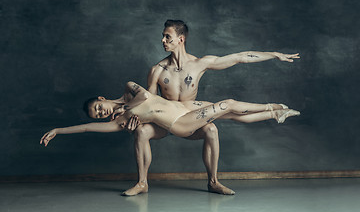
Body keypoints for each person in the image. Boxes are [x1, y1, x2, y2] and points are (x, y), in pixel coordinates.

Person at [124, 20, 300, 196]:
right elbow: (149, 103)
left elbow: (240, 57)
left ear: (181, 39)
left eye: (167, 37)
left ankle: (213, 182)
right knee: (141, 132)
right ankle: (142, 183)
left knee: (212, 129)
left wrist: (274, 54)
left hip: (191, 118)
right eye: (163, 36)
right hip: (165, 122)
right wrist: (133, 122)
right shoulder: (157, 70)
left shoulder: (199, 63)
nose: (163, 40)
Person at [40, 81, 300, 171]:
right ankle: (271, 106)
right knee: (229, 104)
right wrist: (59, 131)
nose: (101, 113)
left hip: (187, 109)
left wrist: (124, 106)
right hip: (181, 123)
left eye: (98, 108)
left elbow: (143, 94)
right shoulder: (122, 121)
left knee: (231, 115)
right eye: (98, 115)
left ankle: (276, 115)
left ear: (101, 99)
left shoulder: (129, 91)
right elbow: (86, 129)